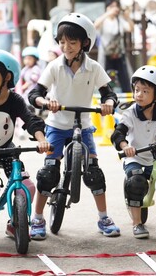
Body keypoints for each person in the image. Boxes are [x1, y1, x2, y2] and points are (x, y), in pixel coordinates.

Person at [28, 13, 121, 240]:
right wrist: (46, 102)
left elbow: (109, 94)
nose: (66, 47)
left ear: (84, 43)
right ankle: (37, 219)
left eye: (72, 42)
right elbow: (34, 94)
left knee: (95, 174)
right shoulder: (54, 66)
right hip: (57, 126)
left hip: (85, 125)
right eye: (62, 42)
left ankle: (103, 217)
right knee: (49, 173)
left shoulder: (94, 68)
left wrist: (108, 104)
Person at [0, 49, 51, 248]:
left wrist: (42, 140)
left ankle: (15, 222)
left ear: (7, 77)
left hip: (7, 148)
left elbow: (30, 120)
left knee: (28, 186)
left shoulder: (15, 100)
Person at [111, 65, 156, 239]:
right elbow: (117, 133)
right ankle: (137, 223)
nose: (139, 95)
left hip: (154, 157)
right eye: (137, 90)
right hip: (134, 157)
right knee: (136, 183)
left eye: (145, 91)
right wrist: (124, 146)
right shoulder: (129, 114)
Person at [94, 0, 134, 93]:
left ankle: (127, 98)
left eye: (116, 6)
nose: (114, 9)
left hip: (119, 54)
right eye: (111, 6)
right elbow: (95, 25)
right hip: (106, 55)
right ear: (106, 8)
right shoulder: (104, 20)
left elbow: (130, 28)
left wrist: (127, 17)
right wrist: (108, 13)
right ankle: (107, 97)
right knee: (106, 79)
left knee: (124, 77)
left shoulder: (119, 20)